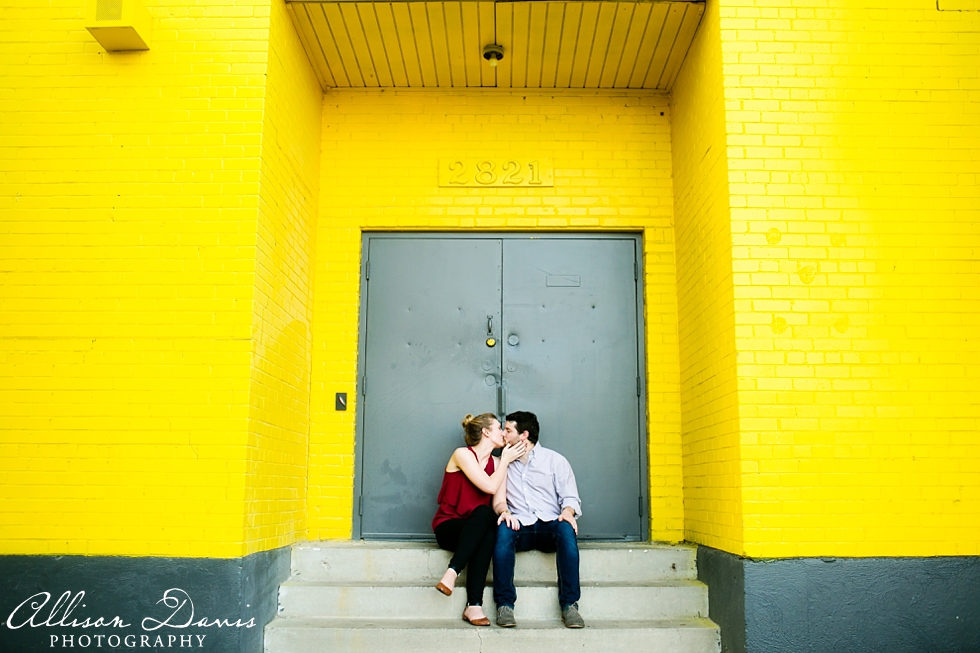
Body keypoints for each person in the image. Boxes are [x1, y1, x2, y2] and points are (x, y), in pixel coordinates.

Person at [492, 410, 584, 628]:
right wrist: (504, 511)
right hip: (520, 525)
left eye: (507, 430)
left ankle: (570, 605)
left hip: (549, 525)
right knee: (503, 531)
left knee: (566, 529)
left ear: (523, 435)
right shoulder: (502, 462)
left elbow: (571, 497)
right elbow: (498, 498)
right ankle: (505, 605)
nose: (503, 435)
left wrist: (568, 513)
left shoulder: (555, 461)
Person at [432, 413, 527, 626]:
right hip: (449, 527)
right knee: (484, 518)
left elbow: (498, 500)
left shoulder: (497, 463)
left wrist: (505, 512)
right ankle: (458, 578)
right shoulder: (462, 455)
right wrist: (506, 461)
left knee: (488, 522)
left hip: (477, 529)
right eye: (499, 428)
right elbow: (490, 486)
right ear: (485, 432)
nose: (504, 433)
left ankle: (472, 603)